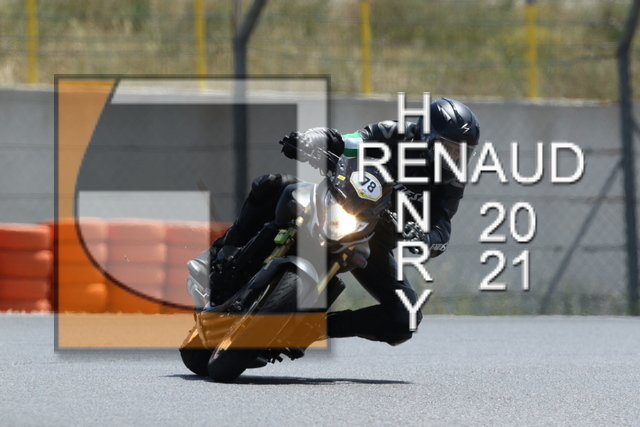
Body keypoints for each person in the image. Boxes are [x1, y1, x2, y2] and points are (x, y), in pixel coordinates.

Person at [210, 97, 480, 346]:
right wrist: (310, 140)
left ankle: (311, 328)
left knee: (405, 316)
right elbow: (349, 140)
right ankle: (224, 250)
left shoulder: (452, 182)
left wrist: (423, 237)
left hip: (373, 241)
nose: (453, 158)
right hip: (337, 200)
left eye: (460, 152)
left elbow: (442, 227)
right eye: (447, 147)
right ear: (425, 136)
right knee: (274, 185)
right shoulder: (394, 133)